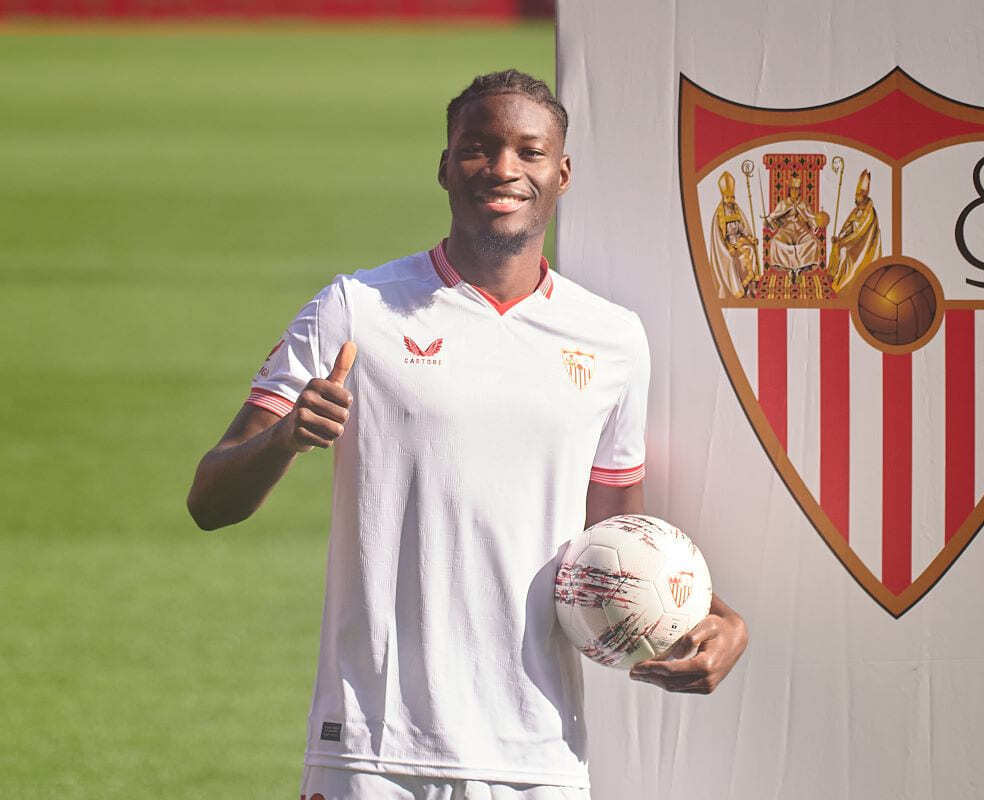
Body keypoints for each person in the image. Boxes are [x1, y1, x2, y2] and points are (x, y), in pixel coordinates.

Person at [186, 70, 748, 800]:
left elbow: (617, 542)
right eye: (479, 148)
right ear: (446, 166)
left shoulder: (612, 339)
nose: (504, 168)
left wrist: (711, 616)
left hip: (536, 757)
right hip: (371, 750)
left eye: (529, 151)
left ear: (562, 173)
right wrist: (286, 437)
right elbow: (210, 501)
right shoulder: (354, 310)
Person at [707, 170, 760, 298]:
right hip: (727, 245)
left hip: (740, 241)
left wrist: (750, 238)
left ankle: (751, 285)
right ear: (723, 197)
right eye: (728, 197)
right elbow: (719, 238)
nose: (730, 200)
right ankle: (737, 289)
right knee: (731, 260)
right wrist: (728, 247)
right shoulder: (719, 215)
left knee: (751, 250)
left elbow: (742, 229)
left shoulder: (736, 210)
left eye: (732, 197)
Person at [829, 168, 881, 291]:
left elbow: (859, 233)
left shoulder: (869, 212)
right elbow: (848, 227)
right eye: (856, 195)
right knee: (837, 246)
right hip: (853, 242)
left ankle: (842, 285)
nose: (856, 197)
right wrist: (839, 237)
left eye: (858, 195)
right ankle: (833, 277)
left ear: (864, 196)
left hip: (862, 247)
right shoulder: (857, 210)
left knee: (843, 252)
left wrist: (842, 242)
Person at [764, 175, 828, 273]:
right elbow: (773, 216)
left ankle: (804, 266)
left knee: (813, 242)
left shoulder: (804, 203)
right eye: (792, 189)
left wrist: (816, 224)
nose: (794, 192)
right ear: (789, 191)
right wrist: (769, 221)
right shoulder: (783, 203)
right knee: (775, 242)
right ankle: (784, 266)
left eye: (797, 189)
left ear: (799, 191)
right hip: (786, 230)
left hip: (802, 230)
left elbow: (811, 218)